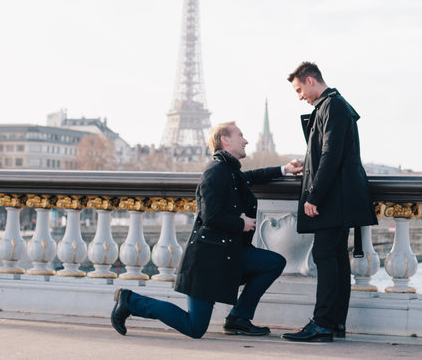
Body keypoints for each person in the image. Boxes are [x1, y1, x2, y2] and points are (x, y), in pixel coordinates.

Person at [111, 122, 302, 338]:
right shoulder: (215, 172)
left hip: (225, 255)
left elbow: (251, 177)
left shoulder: (229, 171)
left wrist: (284, 169)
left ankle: (238, 318)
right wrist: (241, 223)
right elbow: (210, 216)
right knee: (195, 327)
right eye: (241, 135)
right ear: (225, 140)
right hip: (206, 262)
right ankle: (131, 301)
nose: (246, 140)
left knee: (273, 262)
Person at [282, 62, 377, 342]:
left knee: (326, 258)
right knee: (336, 260)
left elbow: (330, 155)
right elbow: (329, 155)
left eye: (299, 89)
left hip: (332, 200)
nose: (300, 96)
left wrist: (314, 196)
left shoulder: (331, 107)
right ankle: (334, 322)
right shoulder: (334, 106)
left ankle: (322, 322)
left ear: (311, 81)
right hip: (342, 198)